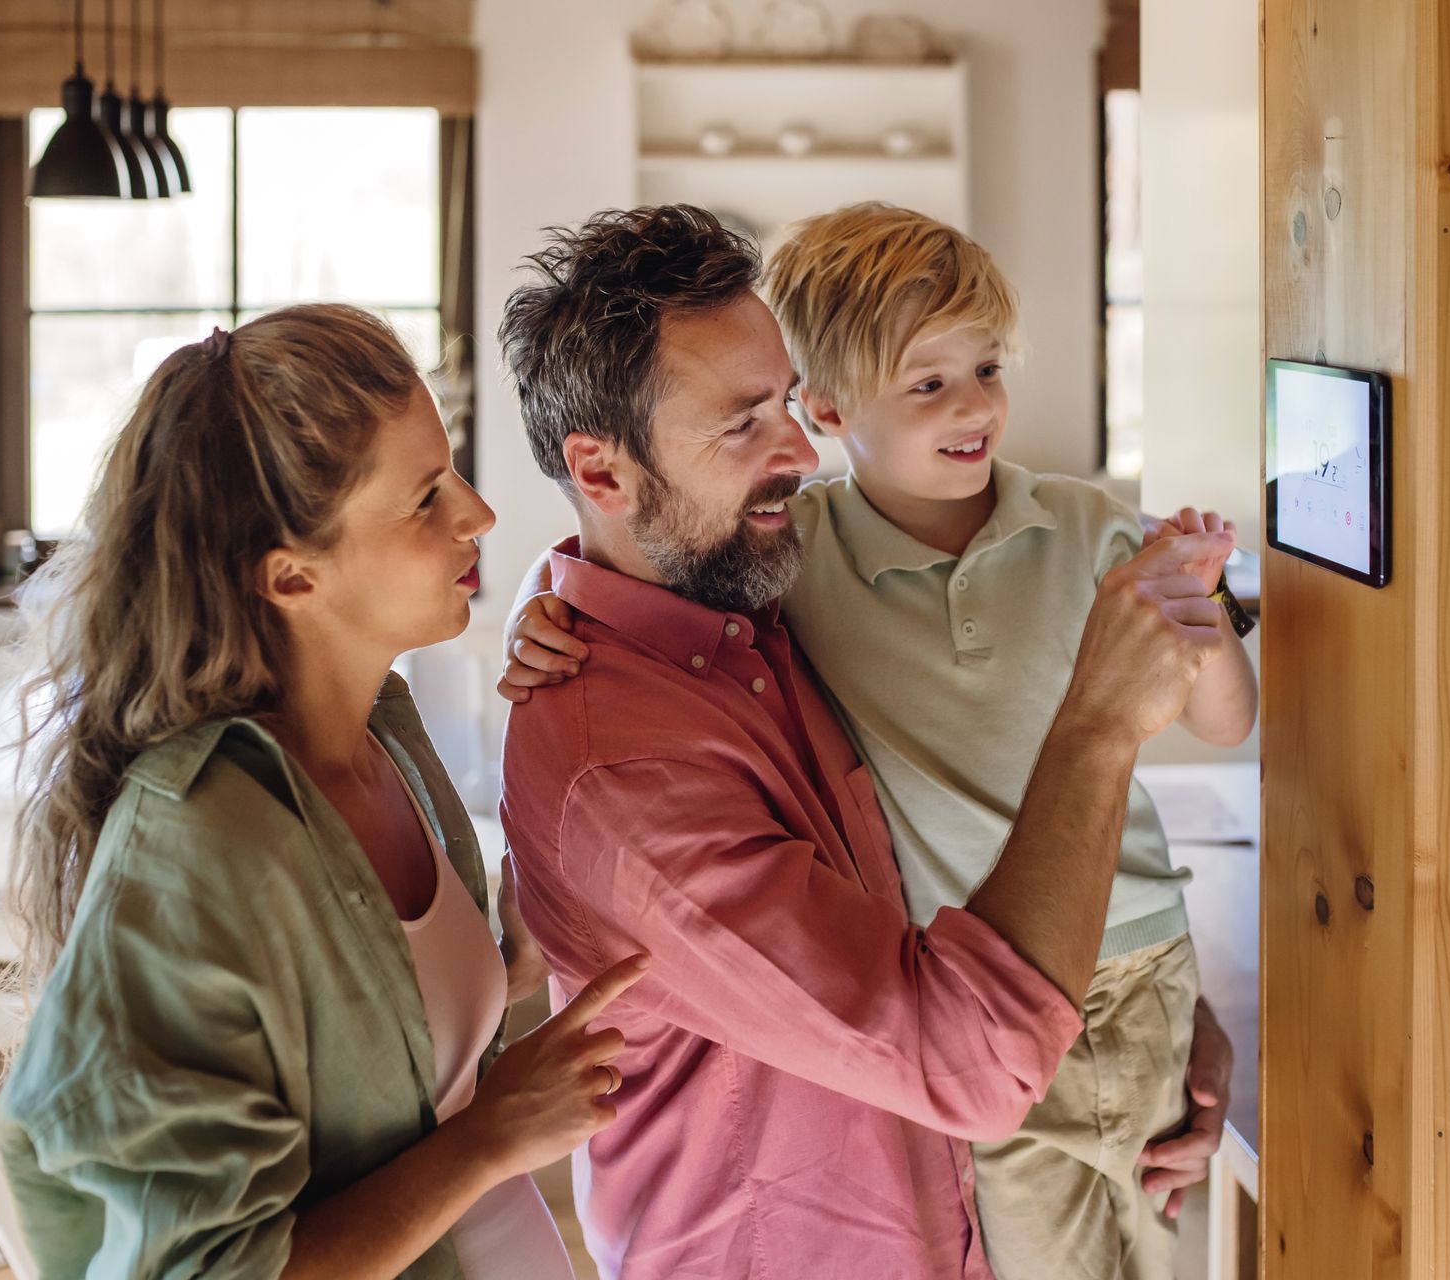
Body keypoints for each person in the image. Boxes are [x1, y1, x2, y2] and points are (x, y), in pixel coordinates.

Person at [506, 203, 1253, 1277]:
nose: (797, 450)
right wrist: (1098, 724)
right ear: (604, 473)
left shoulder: (747, 591)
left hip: (1050, 1072)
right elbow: (971, 1058)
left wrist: (1155, 986)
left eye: (782, 405)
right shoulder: (634, 754)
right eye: (744, 422)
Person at [0, 304, 642, 1279]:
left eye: (453, 471)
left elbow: (388, 1065)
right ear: (292, 577)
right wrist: (494, 1136)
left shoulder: (385, 736)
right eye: (425, 498)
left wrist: (513, 963)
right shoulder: (191, 847)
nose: (477, 514)